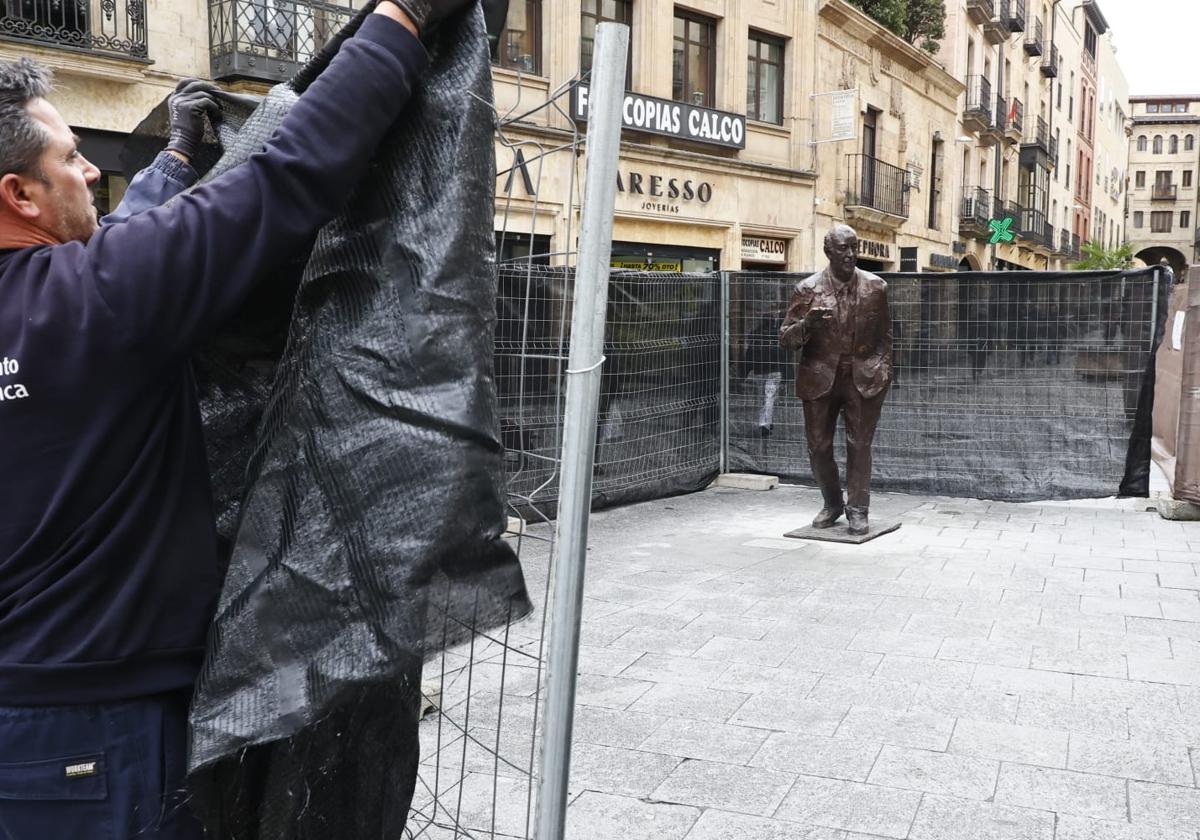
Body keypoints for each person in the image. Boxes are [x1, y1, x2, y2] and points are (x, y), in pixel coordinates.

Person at [0, 1, 472, 837]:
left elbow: (142, 243)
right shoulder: (97, 301)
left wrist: (177, 158)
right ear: (21, 195)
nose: (87, 172)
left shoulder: (84, 300)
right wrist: (400, 21)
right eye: (72, 159)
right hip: (92, 734)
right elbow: (284, 175)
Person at [779, 224, 893, 536]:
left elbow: (886, 337)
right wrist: (807, 324)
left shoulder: (876, 287)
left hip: (864, 376)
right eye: (843, 248)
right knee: (818, 446)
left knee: (860, 444)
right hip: (820, 377)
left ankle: (858, 509)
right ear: (829, 252)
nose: (851, 254)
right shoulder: (807, 289)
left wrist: (882, 372)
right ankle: (832, 503)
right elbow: (786, 340)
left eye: (854, 247)